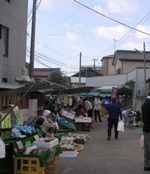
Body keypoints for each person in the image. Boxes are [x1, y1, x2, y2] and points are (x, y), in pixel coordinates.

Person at [141, 92, 150, 171]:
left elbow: (143, 118)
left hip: (146, 128)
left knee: (147, 148)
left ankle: (147, 165)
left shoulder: (144, 104)